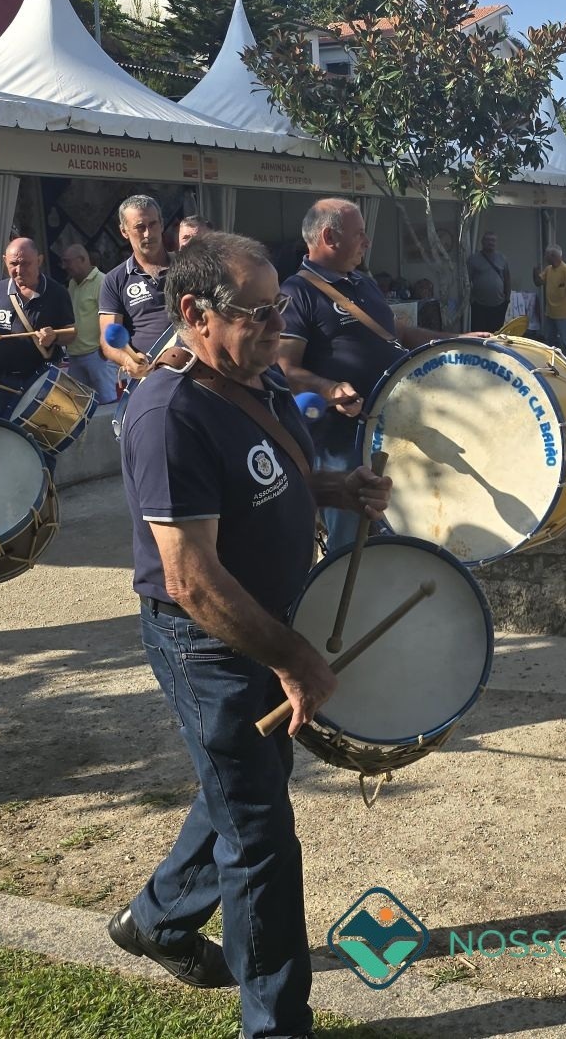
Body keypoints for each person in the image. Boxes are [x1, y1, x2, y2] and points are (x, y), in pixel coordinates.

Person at [111, 230, 388, 1032]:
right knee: (261, 837)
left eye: (278, 308)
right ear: (196, 313)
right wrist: (297, 658)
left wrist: (337, 488)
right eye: (260, 312)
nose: (279, 325)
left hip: (267, 623)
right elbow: (190, 579)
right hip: (210, 645)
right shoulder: (167, 413)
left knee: (240, 788)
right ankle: (276, 1024)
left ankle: (156, 920)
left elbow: (275, 483)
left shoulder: (254, 380)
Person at [274, 199, 433, 553]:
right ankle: (340, 601)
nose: (367, 242)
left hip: (392, 431)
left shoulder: (363, 282)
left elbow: (398, 335)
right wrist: (328, 389)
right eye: (360, 234)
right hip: (340, 442)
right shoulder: (296, 293)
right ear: (329, 236)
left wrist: (455, 341)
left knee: (402, 526)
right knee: (349, 544)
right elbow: (284, 367)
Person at [0, 237, 76, 419]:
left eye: (25, 263)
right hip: (3, 382)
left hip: (45, 381)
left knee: (44, 439)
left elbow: (71, 333)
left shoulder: (57, 292)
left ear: (39, 260)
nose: (18, 270)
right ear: (4, 261)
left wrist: (54, 337)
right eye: (13, 264)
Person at [100, 195, 175, 392]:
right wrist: (128, 359)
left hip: (196, 371)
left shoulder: (188, 267)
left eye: (153, 224)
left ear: (162, 224)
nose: (148, 233)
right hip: (150, 381)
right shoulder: (114, 280)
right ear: (124, 231)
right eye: (140, 227)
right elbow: (108, 340)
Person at [60, 242, 117, 405]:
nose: (64, 266)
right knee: (78, 406)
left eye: (67, 261)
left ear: (82, 259)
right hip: (75, 355)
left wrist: (105, 348)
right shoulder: (72, 283)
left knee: (107, 403)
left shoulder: (102, 282)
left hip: (97, 356)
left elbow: (111, 317)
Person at [536, 245, 566, 357]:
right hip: (550, 312)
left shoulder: (565, 270)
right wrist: (535, 272)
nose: (545, 258)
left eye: (547, 255)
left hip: (563, 314)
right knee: (550, 341)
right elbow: (538, 282)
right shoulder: (548, 269)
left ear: (553, 256)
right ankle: (554, 363)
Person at [468, 232, 511, 332]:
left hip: (499, 304)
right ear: (482, 242)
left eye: (493, 240)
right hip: (479, 305)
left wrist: (507, 299)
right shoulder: (473, 259)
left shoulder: (502, 258)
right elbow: (466, 281)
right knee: (479, 334)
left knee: (496, 333)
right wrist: (471, 299)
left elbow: (507, 279)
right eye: (488, 240)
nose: (491, 243)